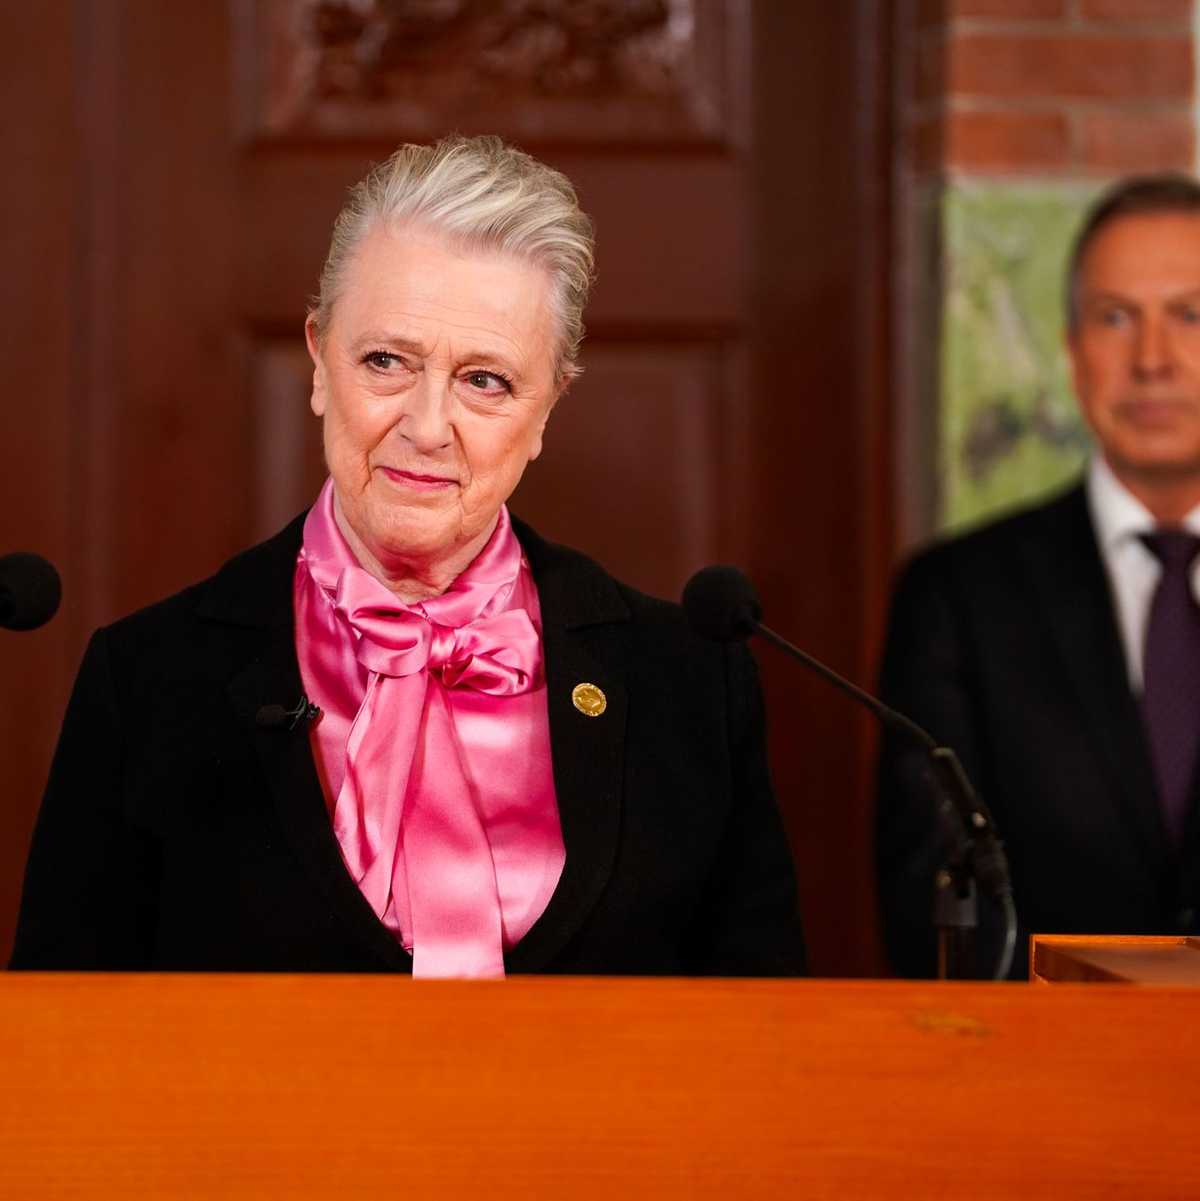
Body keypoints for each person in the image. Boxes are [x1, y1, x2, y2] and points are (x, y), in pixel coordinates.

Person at [10, 135, 805, 977]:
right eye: (386, 361)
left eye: (486, 381)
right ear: (319, 361)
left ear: (547, 408)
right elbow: (65, 1049)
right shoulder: (145, 681)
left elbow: (762, 1038)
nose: (427, 428)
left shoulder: (687, 680)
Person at [876, 174, 1200, 978]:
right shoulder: (958, 595)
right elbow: (929, 898)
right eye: (1116, 317)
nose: (1153, 359)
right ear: (1072, 350)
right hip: (1043, 1073)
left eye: (1191, 314)